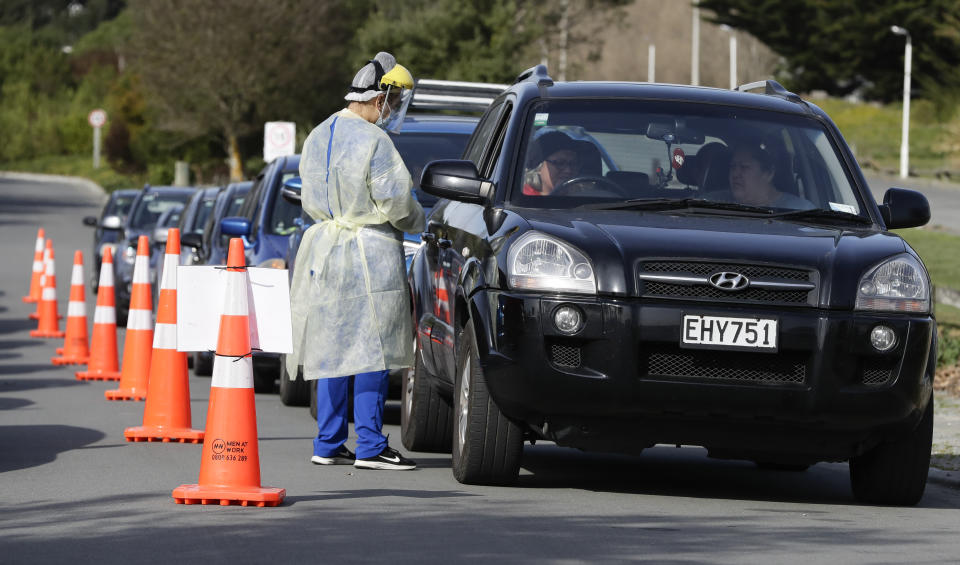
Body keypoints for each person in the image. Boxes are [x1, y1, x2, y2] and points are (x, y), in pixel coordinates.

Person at [288, 52, 422, 471]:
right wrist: (422, 220)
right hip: (370, 253)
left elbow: (310, 195)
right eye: (394, 100)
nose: (395, 109)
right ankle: (370, 444)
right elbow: (397, 201)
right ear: (379, 97)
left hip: (324, 251)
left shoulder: (318, 133)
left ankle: (327, 442)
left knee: (332, 348)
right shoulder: (374, 140)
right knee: (372, 350)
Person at [725, 139, 814, 209]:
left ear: (768, 174)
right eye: (733, 166)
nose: (735, 174)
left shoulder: (800, 210)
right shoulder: (715, 202)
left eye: (744, 167)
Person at [523, 131, 583, 195]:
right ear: (539, 167)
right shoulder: (524, 199)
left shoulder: (584, 197)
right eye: (560, 163)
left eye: (573, 164)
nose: (568, 170)